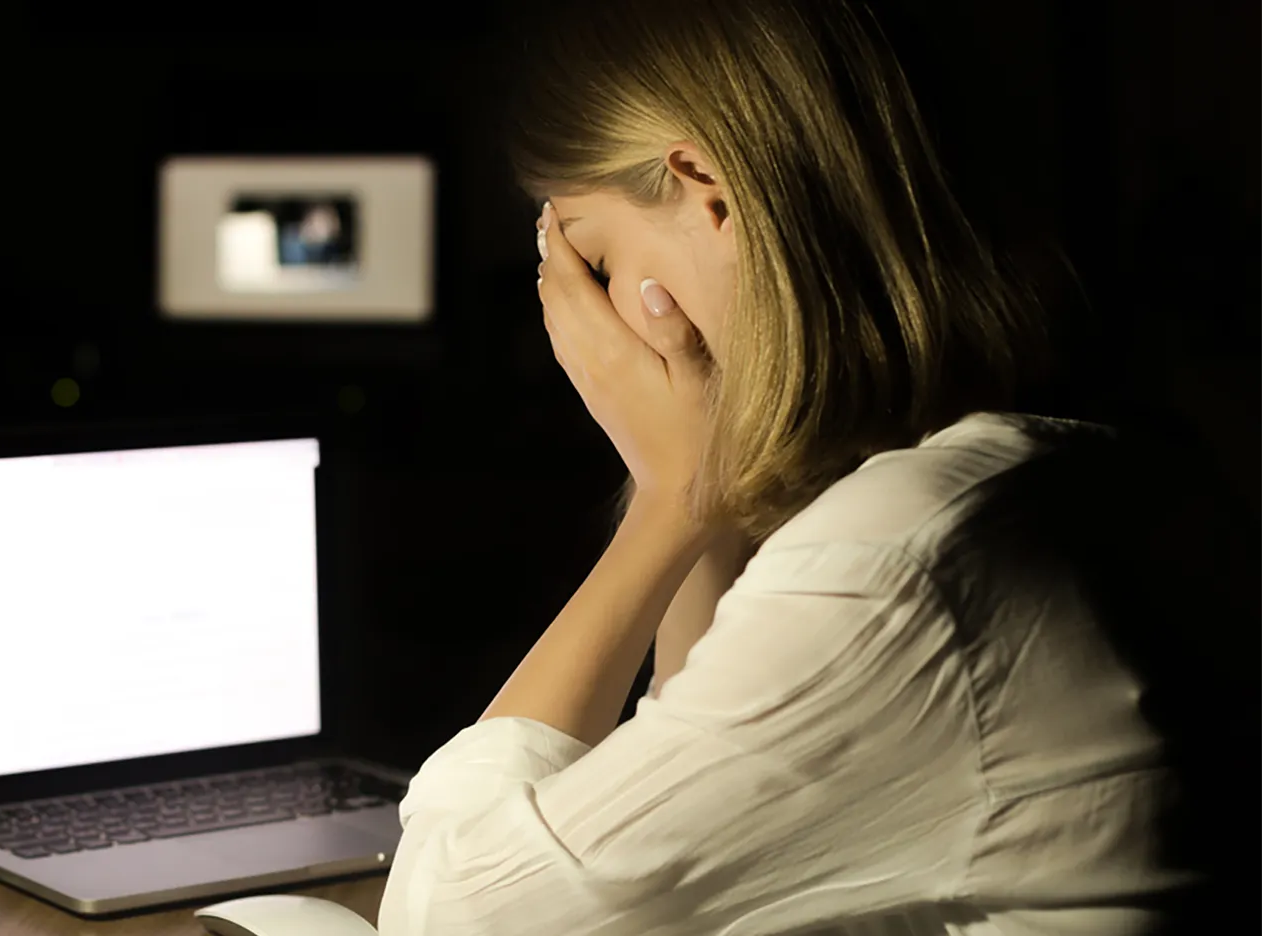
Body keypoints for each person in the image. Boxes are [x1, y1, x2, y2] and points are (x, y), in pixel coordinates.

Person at [377, 0, 1253, 933]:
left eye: (592, 257)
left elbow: (452, 917)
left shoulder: (900, 563)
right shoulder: (1101, 460)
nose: (585, 324)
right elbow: (676, 834)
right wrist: (696, 490)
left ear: (707, 190)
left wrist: (669, 505)